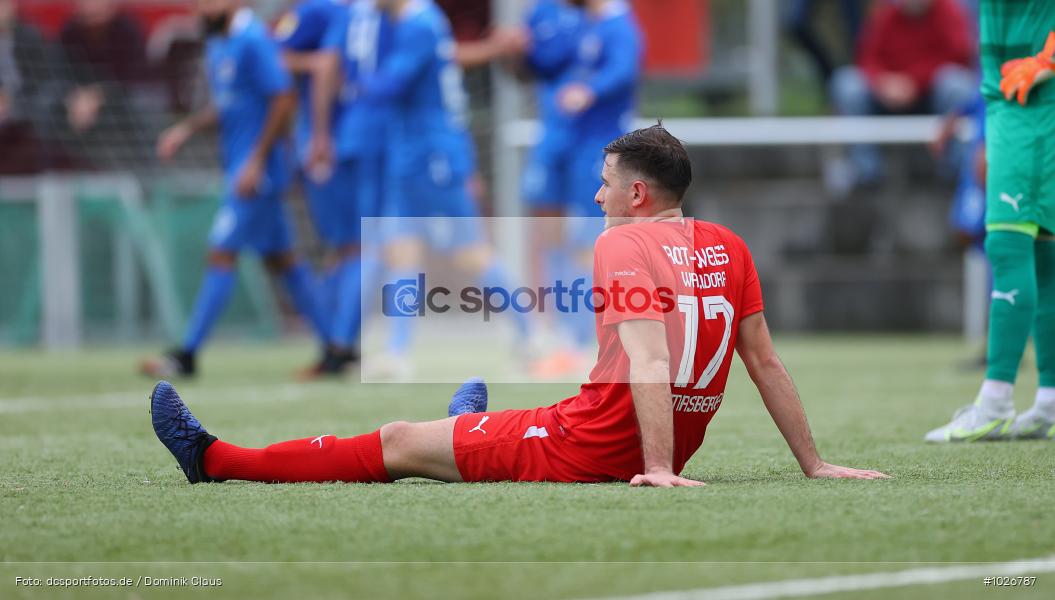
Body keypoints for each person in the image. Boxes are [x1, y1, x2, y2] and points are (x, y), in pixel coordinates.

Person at [150, 124, 889, 486]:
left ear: (637, 194)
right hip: (608, 432)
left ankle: (215, 460)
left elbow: (651, 359)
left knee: (401, 440)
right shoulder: (728, 245)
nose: (596, 195)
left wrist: (657, 469)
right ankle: (468, 423)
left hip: (589, 445)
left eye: (604, 182)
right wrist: (813, 465)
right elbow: (762, 360)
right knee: (471, 429)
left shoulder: (620, 245)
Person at [140, 0, 330, 378]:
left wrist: (257, 160)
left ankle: (186, 354)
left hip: (257, 174)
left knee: (221, 253)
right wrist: (186, 129)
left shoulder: (254, 40)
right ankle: (338, 346)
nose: (198, 10)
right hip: (242, 168)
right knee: (284, 261)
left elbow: (283, 99)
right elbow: (230, 104)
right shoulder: (217, 43)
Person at [344, 0, 529, 380]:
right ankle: (398, 353)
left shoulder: (419, 24)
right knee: (400, 250)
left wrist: (355, 85)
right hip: (408, 151)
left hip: (434, 155)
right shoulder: (406, 20)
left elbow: (392, 84)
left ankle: (529, 333)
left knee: (470, 254)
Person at [925, 1, 1055, 442]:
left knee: (1008, 244)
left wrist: (1048, 59)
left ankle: (996, 402)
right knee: (1043, 255)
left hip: (1031, 104)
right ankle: (1049, 403)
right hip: (1012, 101)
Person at [527, 0, 642, 378]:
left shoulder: (618, 24)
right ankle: (565, 337)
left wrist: (589, 90)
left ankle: (580, 341)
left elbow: (624, 69)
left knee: (589, 244)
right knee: (565, 243)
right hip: (574, 147)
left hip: (602, 149)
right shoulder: (583, 23)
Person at [274, 0, 381, 377]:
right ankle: (338, 342)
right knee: (355, 247)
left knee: (354, 247)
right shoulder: (358, 13)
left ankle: (338, 344)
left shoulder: (319, 10)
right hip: (353, 140)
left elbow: (312, 64)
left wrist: (318, 135)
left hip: (335, 143)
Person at [829, 0, 975, 186]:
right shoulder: (886, 14)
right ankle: (866, 172)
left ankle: (954, 170)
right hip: (886, 96)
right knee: (846, 83)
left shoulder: (949, 11)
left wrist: (914, 82)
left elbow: (960, 56)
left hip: (931, 95)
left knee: (957, 85)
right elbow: (867, 58)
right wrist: (883, 82)